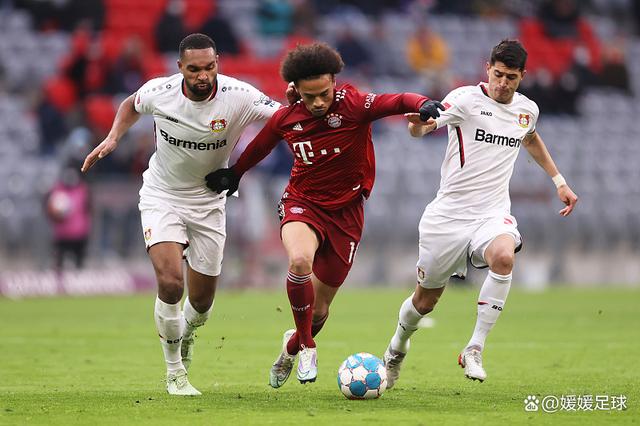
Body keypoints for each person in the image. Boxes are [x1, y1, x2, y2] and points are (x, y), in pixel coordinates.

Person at [205, 42, 442, 387]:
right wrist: (236, 173)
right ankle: (308, 347)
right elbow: (261, 145)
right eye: (309, 96)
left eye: (324, 94)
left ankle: (291, 347)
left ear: (334, 81)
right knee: (300, 261)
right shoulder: (287, 118)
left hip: (347, 213)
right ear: (296, 90)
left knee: (318, 311)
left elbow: (397, 100)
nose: (317, 103)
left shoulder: (355, 105)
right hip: (303, 202)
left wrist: (422, 104)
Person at [80, 33, 281, 395]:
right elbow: (130, 104)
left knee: (201, 304)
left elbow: (284, 117)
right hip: (162, 196)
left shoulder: (240, 96)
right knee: (172, 283)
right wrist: (113, 137)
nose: (203, 75)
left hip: (209, 203)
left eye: (209, 67)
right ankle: (175, 373)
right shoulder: (161, 91)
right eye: (194, 69)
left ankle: (187, 333)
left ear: (217, 62)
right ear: (180, 68)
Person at [382, 39, 579, 388]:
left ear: (522, 76)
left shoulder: (527, 110)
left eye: (511, 78)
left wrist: (559, 181)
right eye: (498, 74)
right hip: (447, 217)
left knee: (504, 257)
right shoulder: (464, 99)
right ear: (487, 68)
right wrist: (416, 125)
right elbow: (424, 127)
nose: (502, 83)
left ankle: (474, 347)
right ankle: (397, 348)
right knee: (425, 301)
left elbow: (530, 137)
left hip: (492, 213)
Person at [46, 166, 92, 270]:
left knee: (79, 264)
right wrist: (54, 214)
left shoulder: (83, 190)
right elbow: (49, 210)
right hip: (61, 234)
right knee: (59, 263)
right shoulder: (57, 190)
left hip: (79, 233)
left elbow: (88, 209)